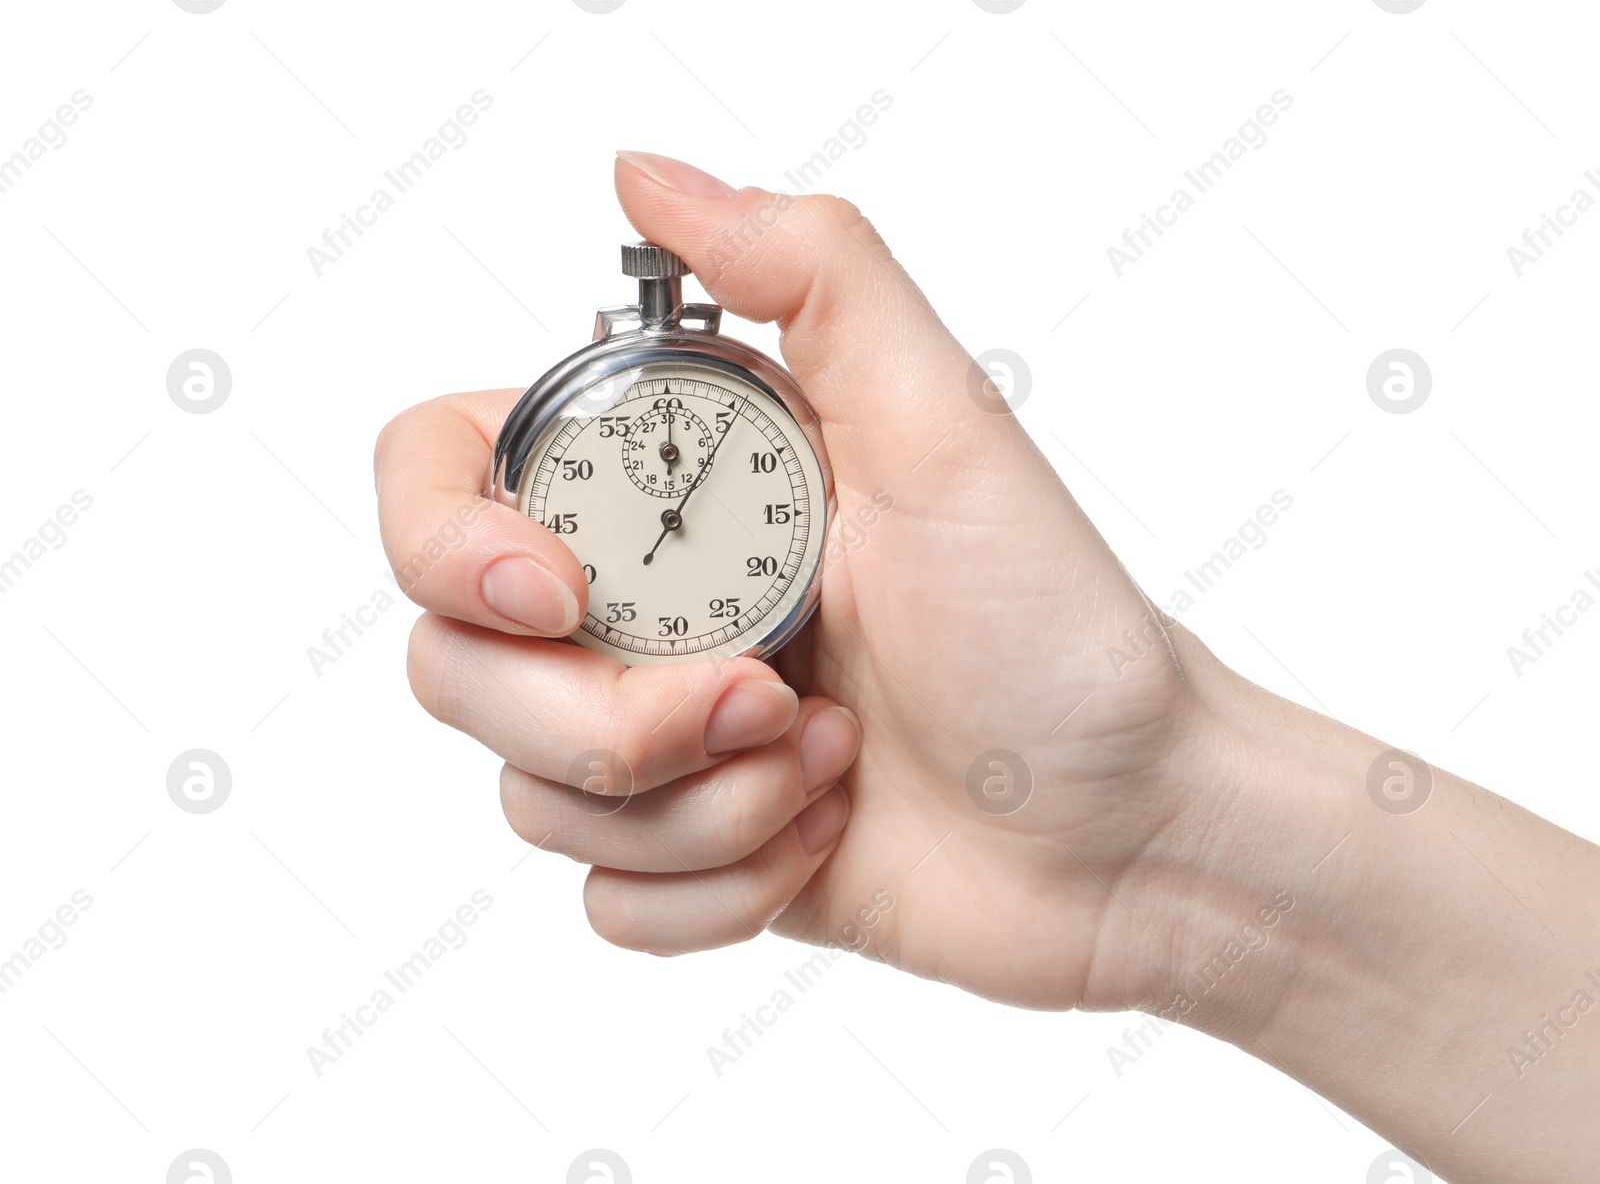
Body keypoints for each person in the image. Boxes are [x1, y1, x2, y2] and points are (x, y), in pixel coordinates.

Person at [374, 151, 1598, 1184]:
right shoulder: (629, 446)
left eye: (707, 489)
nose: (666, 525)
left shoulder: (782, 448)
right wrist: (1161, 844)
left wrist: (1159, 827)